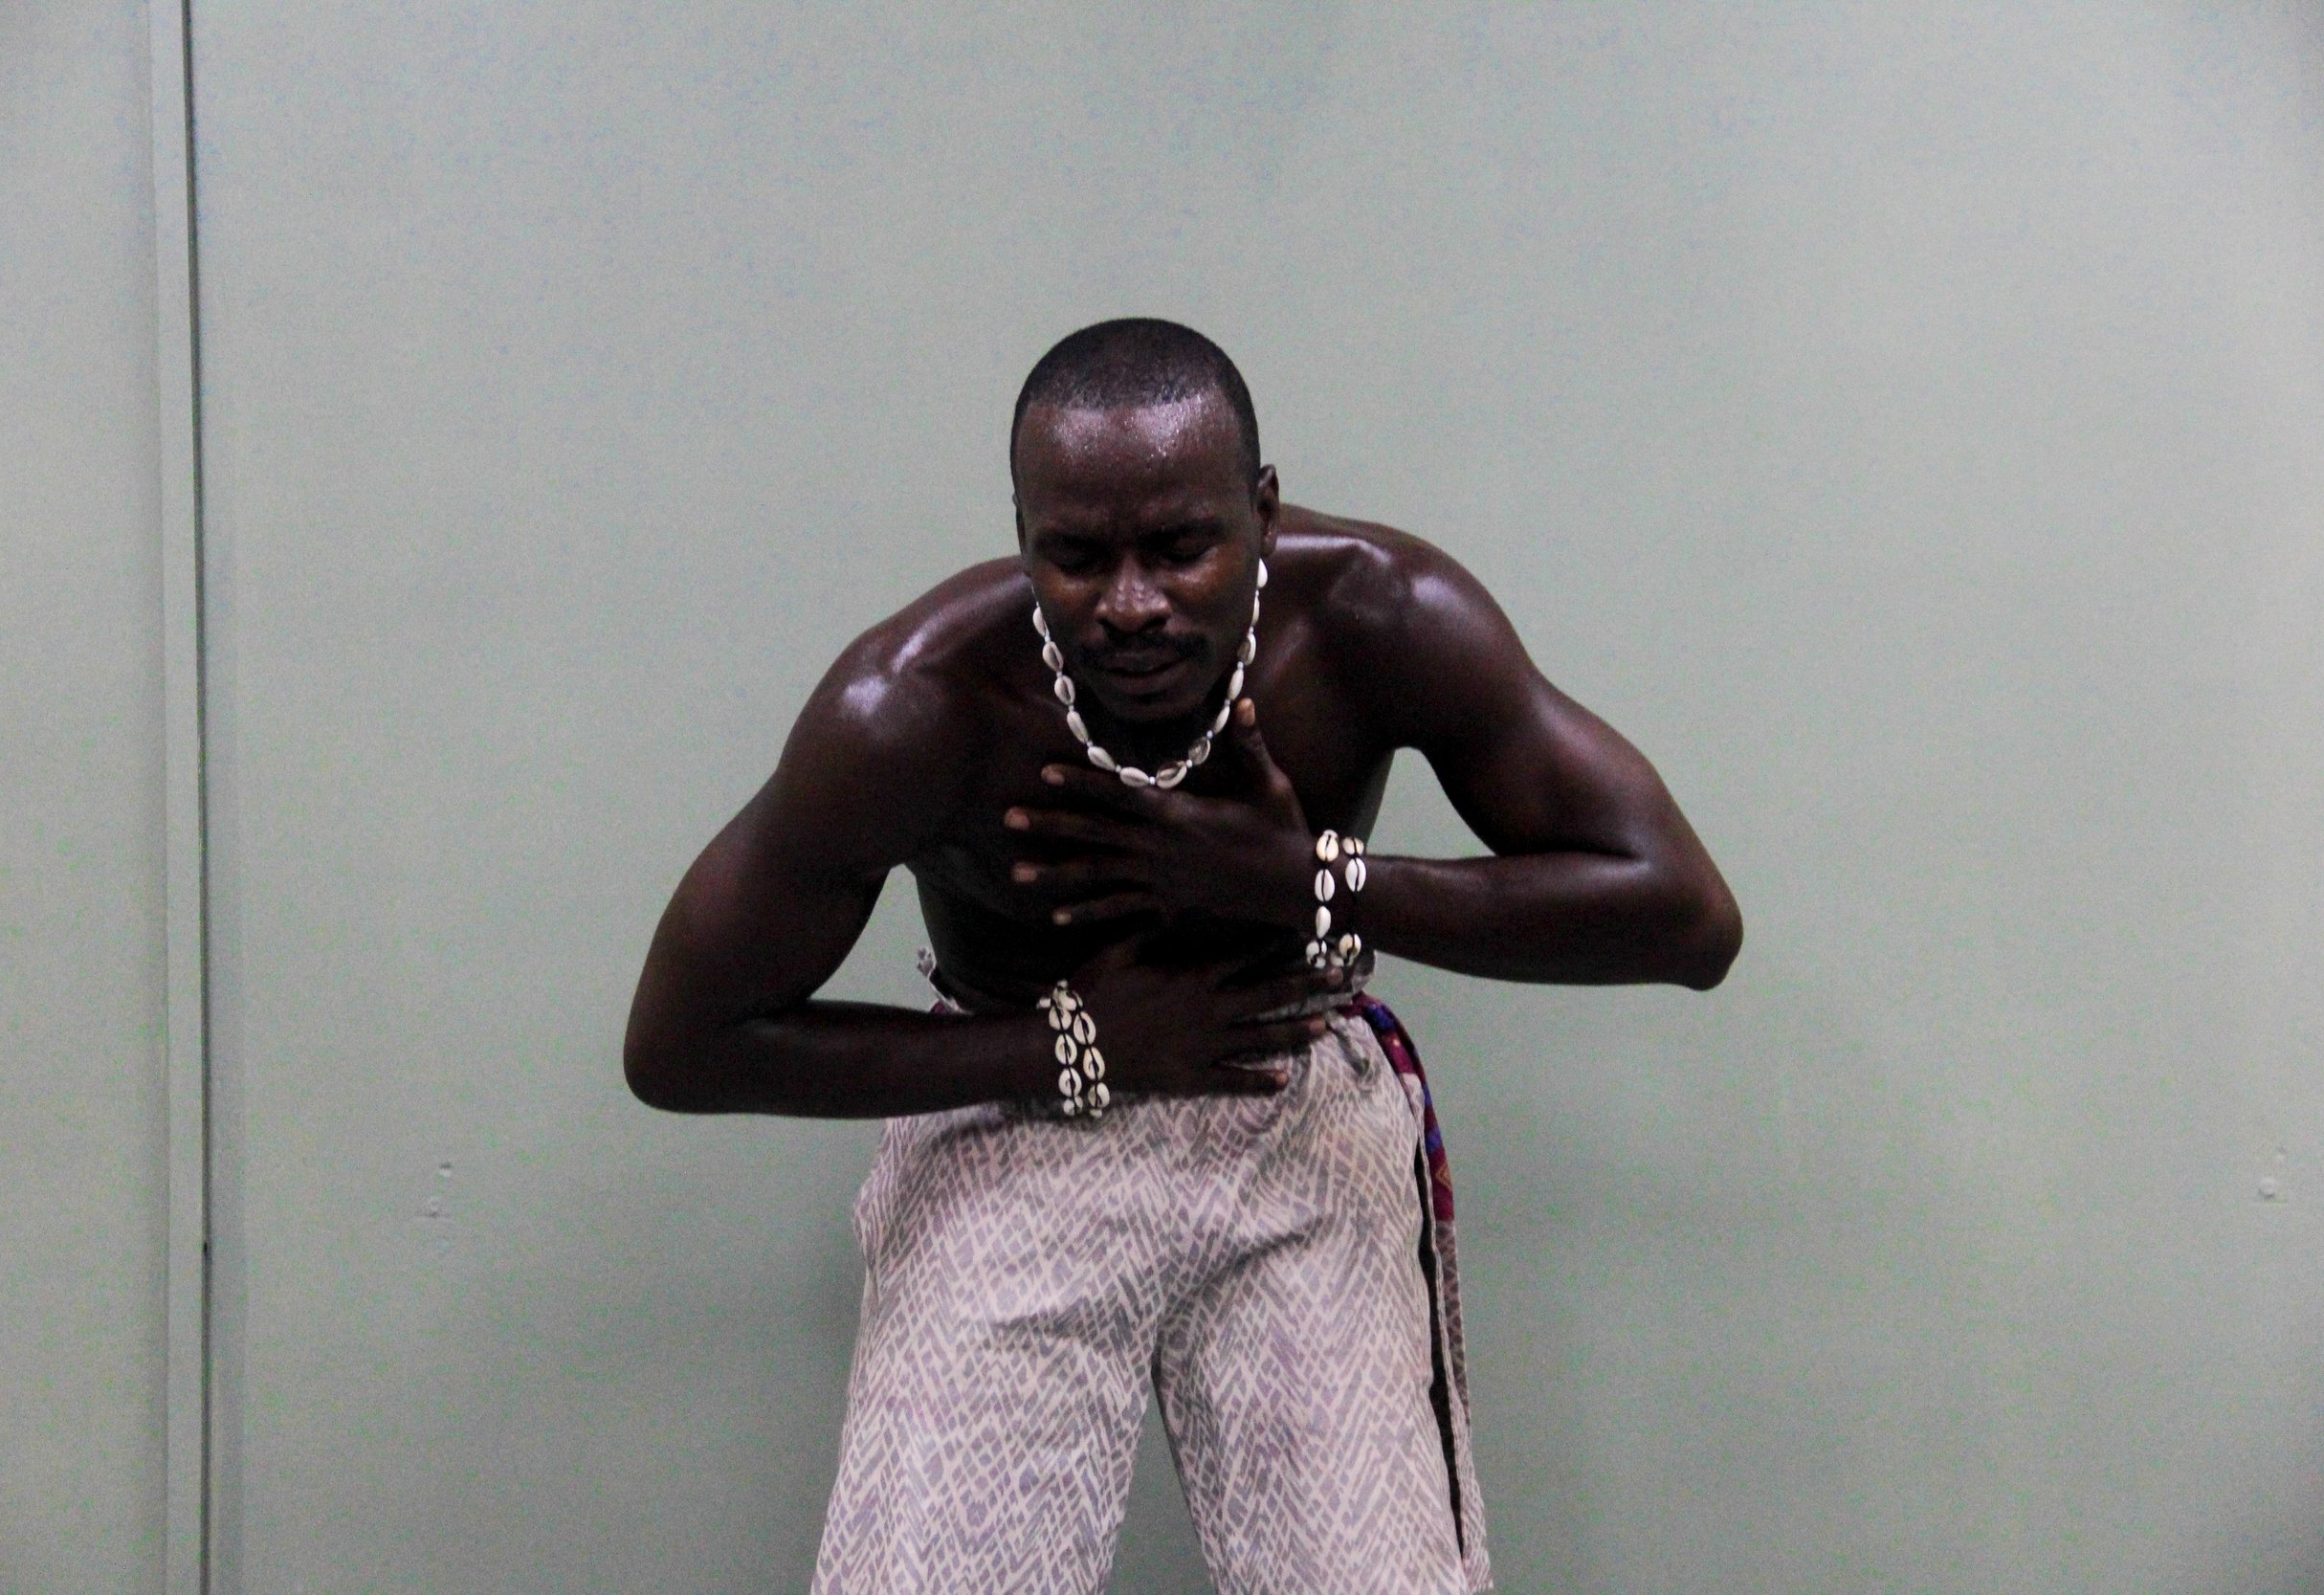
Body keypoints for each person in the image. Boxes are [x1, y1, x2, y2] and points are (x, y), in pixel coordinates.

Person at [624, 318, 1741, 1595]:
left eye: (1181, 547)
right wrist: (1065, 1048)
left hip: (1294, 1109)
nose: (1131, 604)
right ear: (1023, 535)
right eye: (1078, 557)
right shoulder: (915, 704)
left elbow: (1685, 917)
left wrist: (1316, 884)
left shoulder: (1380, 612)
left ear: (1261, 511)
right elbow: (680, 1043)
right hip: (1009, 1127)